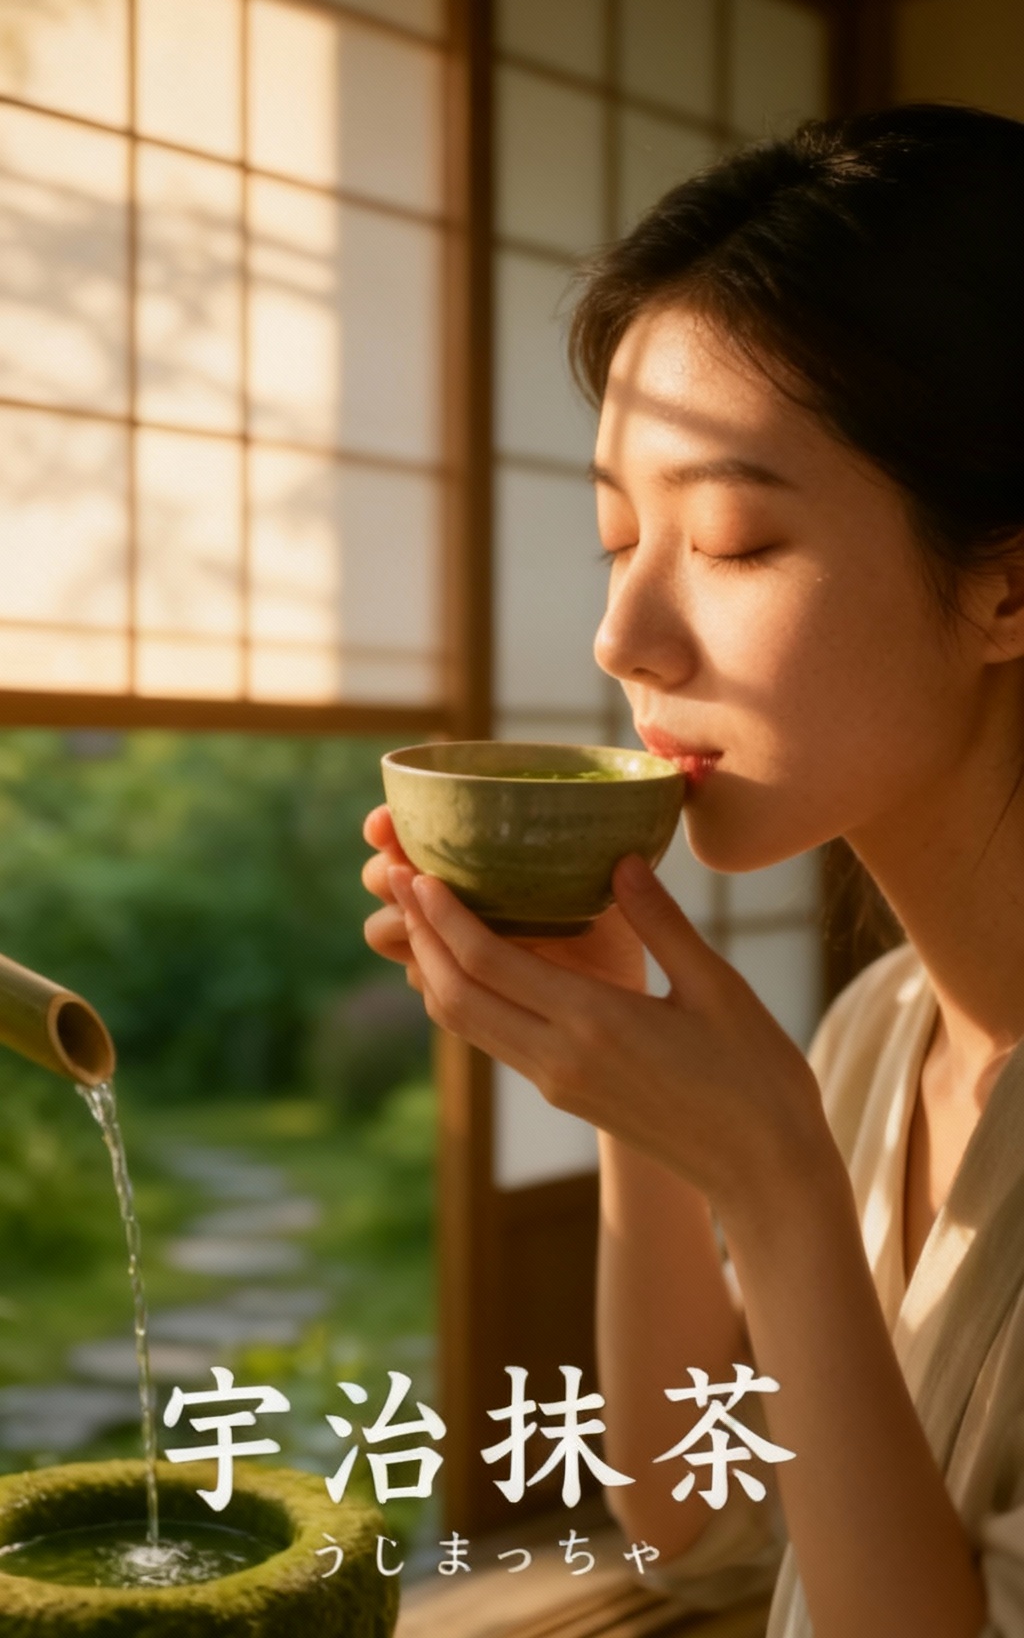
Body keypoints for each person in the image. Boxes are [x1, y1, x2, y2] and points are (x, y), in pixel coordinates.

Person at [362, 105, 1024, 1638]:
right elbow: (704, 1521)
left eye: (727, 541)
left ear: (1005, 581)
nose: (624, 640)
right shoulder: (880, 1032)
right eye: (617, 537)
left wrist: (778, 1181)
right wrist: (635, 1087)